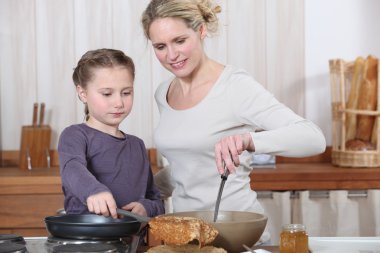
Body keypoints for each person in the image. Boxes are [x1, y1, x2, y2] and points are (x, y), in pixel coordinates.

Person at [141, 0, 325, 229]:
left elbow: (313, 138)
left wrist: (248, 140)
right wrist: (141, 191)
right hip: (187, 234)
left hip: (238, 232)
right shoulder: (164, 93)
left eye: (179, 41)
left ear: (201, 30)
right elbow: (188, 165)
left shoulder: (235, 87)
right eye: (160, 46)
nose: (171, 55)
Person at [58, 48, 165, 219]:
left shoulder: (137, 145)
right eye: (107, 94)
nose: (118, 103)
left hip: (132, 242)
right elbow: (72, 169)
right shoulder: (74, 136)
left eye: (126, 93)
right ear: (82, 93)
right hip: (85, 241)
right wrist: (94, 191)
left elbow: (155, 200)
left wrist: (146, 207)